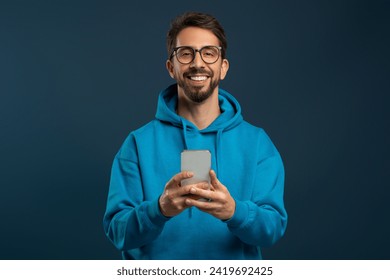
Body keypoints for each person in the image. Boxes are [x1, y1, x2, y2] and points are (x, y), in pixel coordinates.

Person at [103, 11, 287, 260]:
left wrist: (235, 212)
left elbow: (272, 230)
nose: (198, 63)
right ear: (171, 67)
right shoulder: (137, 144)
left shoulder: (257, 144)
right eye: (186, 53)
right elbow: (118, 233)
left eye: (209, 53)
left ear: (223, 67)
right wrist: (159, 210)